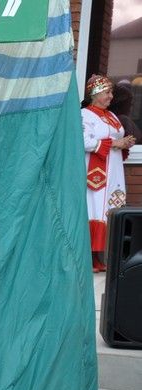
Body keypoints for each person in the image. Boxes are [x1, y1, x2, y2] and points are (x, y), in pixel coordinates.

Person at [81, 74, 135, 272]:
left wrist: (125, 143)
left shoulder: (111, 116)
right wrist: (114, 143)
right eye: (107, 92)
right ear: (95, 94)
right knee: (94, 208)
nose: (111, 96)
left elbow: (116, 139)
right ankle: (91, 259)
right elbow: (83, 141)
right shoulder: (85, 115)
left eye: (111, 92)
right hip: (97, 172)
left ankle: (100, 258)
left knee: (109, 207)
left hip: (113, 172)